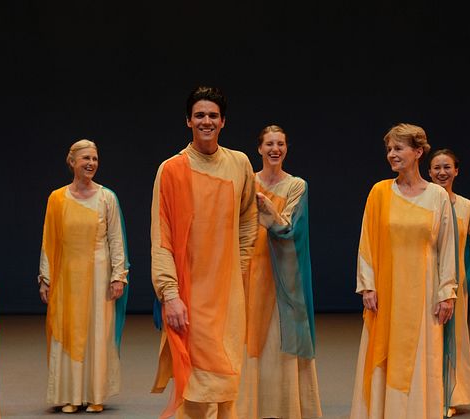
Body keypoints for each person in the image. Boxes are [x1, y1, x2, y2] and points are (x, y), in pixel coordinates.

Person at [150, 86, 258, 418]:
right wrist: (170, 294)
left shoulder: (239, 163)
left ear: (223, 121)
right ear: (188, 121)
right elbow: (161, 237)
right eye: (200, 115)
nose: (206, 121)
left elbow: (249, 218)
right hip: (190, 295)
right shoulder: (171, 169)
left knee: (227, 380)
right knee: (195, 383)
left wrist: (237, 267)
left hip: (228, 296)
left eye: (213, 115)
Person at [350, 123, 457, 419]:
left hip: (423, 292)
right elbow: (367, 241)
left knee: (423, 359)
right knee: (386, 355)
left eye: (398, 148)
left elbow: (446, 248)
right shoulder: (380, 192)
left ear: (418, 152)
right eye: (389, 149)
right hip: (388, 292)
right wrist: (367, 285)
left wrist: (447, 293)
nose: (392, 155)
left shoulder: (437, 196)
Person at [38, 139, 129, 414]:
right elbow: (49, 241)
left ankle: (95, 393)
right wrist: (45, 277)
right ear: (72, 162)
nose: (91, 164)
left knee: (96, 332)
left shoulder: (106, 197)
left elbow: (116, 239)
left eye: (95, 159)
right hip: (67, 275)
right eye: (85, 159)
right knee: (66, 330)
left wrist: (118, 276)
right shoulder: (57, 198)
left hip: (99, 275)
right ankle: (70, 394)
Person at [237, 125, 322, 419]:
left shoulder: (297, 185)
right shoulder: (246, 181)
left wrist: (268, 210)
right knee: (251, 334)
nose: (275, 149)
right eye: (270, 144)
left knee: (281, 334)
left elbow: (290, 227)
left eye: (281, 144)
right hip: (251, 267)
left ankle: (286, 408)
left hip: (284, 271)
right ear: (259, 148)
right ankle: (248, 408)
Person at [428, 149, 470, 417]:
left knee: (451, 339)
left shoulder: (465, 207)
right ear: (428, 171)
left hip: (455, 285)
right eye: (436, 168)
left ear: (456, 171)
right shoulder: (421, 203)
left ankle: (448, 395)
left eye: (447, 167)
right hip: (423, 281)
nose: (442, 172)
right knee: (426, 339)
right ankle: (423, 392)